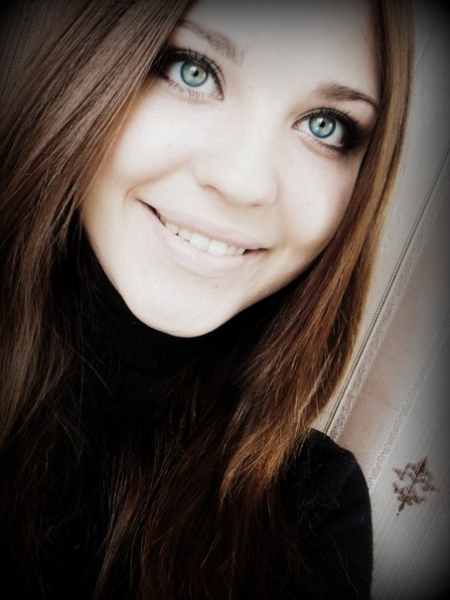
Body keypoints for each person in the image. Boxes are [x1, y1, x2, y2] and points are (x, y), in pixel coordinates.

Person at [0, 0, 414, 598]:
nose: (243, 183)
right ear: (87, 63)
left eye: (325, 125)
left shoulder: (314, 510)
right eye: (192, 70)